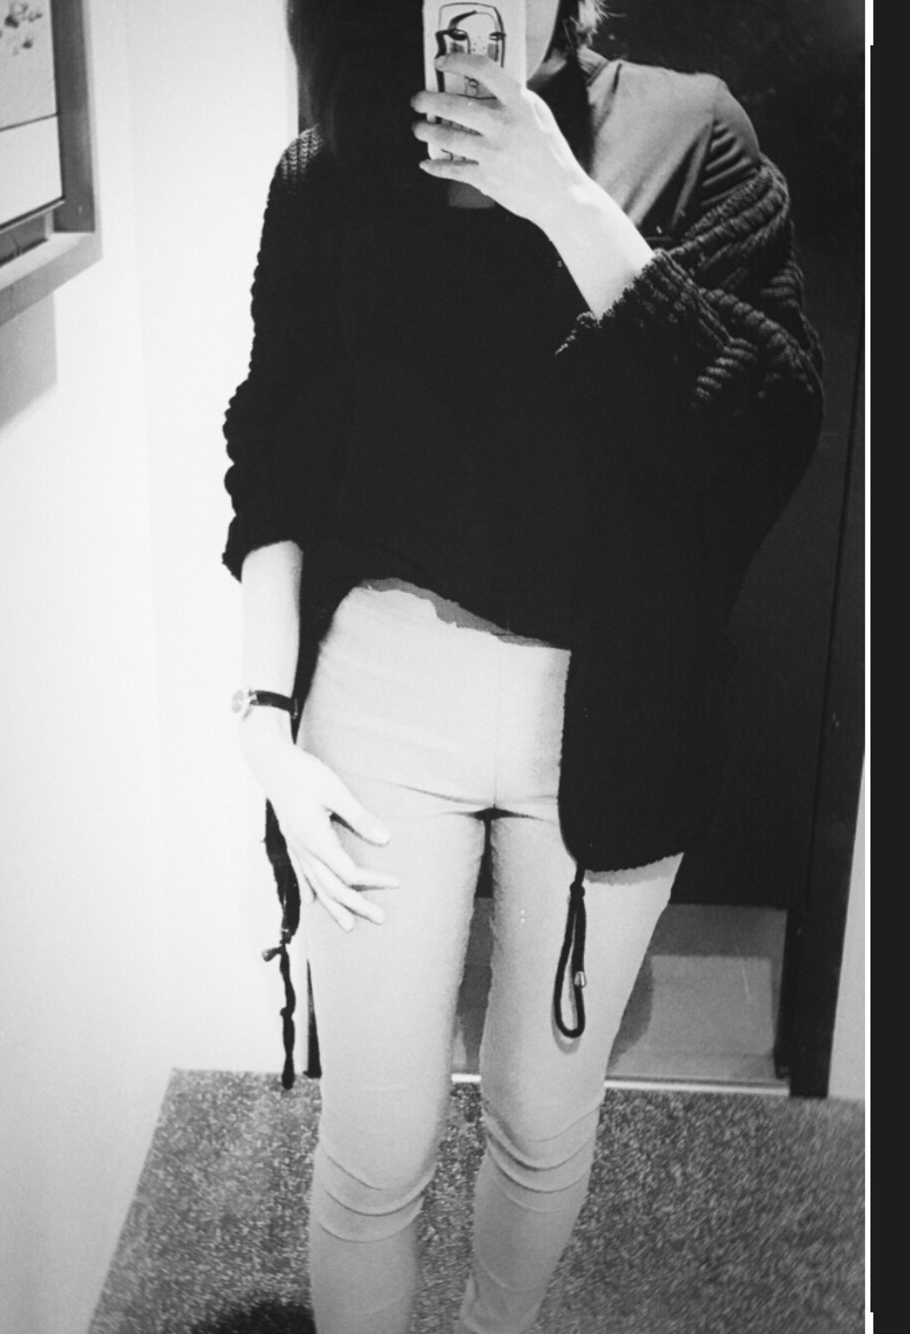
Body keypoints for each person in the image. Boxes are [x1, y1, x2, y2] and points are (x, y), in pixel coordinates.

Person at [220, 3, 823, 1331]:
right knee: (373, 1148)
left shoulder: (691, 135)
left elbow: (765, 435)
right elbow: (276, 453)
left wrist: (565, 202)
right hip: (384, 692)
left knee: (546, 1124)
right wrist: (263, 716)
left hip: (619, 704)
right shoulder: (332, 168)